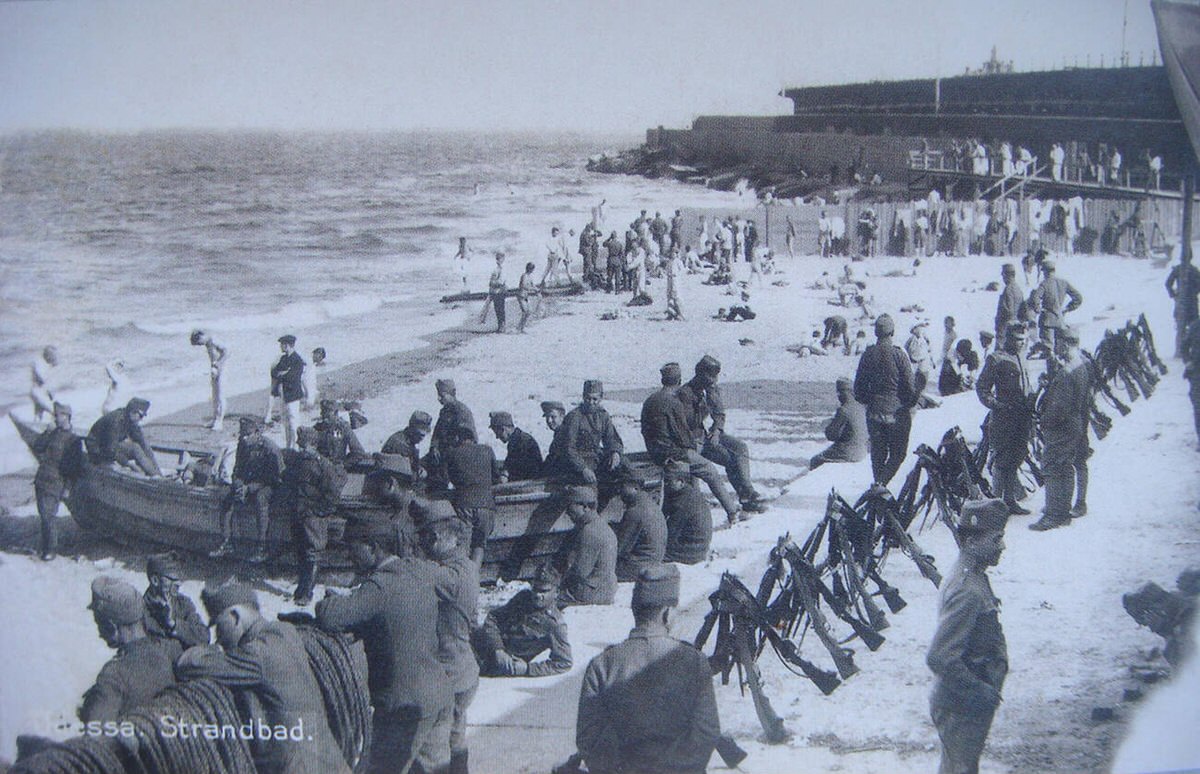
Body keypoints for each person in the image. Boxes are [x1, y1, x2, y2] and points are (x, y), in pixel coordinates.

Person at [314, 516, 453, 774]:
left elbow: (328, 616)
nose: (348, 555)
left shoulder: (379, 587)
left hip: (403, 706)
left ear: (372, 547)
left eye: (352, 547)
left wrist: (329, 602)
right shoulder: (418, 571)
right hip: (439, 694)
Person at [179, 582, 349, 774]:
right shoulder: (286, 632)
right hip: (329, 761)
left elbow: (189, 665)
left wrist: (210, 649)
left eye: (218, 626)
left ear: (234, 617)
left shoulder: (258, 655)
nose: (218, 637)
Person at [576, 563, 720, 774]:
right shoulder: (694, 662)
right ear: (667, 613)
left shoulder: (602, 665)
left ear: (635, 610)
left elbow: (589, 738)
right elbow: (706, 732)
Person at [927, 499, 1009, 774]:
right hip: (961, 702)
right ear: (973, 541)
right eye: (997, 539)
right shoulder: (967, 590)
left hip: (964, 699)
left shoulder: (972, 575)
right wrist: (982, 693)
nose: (1002, 546)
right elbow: (939, 657)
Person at [640, 362, 742, 523]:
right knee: (710, 471)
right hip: (673, 453)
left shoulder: (650, 400)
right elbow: (683, 435)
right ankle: (732, 511)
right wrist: (693, 448)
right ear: (679, 381)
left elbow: (644, 429)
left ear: (662, 380)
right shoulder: (673, 402)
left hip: (655, 451)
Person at [420, 511, 479, 774]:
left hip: (446, 672)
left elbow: (414, 576)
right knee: (457, 735)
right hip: (464, 668)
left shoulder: (445, 576)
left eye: (430, 538)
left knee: (433, 749)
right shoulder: (468, 568)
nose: (425, 544)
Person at [80, 576, 180, 724]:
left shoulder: (114, 675)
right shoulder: (169, 651)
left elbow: (96, 737)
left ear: (112, 626)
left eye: (99, 624)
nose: (100, 634)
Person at [676, 355, 767, 514]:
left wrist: (717, 430)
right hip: (691, 441)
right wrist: (705, 400)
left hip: (704, 437)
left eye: (715, 376)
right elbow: (689, 422)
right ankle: (741, 499)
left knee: (739, 448)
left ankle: (747, 494)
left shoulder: (709, 390)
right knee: (725, 460)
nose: (714, 379)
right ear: (700, 374)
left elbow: (719, 414)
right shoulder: (686, 393)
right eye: (711, 376)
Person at [1030, 326, 1092, 531]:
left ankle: (1054, 515)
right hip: (1073, 424)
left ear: (1065, 343)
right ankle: (1062, 512)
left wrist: (1044, 420)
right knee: (1064, 468)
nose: (1056, 346)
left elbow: (1059, 407)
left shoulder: (1067, 372)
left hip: (1061, 427)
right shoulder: (1080, 364)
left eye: (1057, 342)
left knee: (1053, 468)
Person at [473, 562, 572, 677]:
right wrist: (498, 648)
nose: (538, 595)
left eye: (544, 591)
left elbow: (564, 662)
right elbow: (493, 618)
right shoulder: (523, 598)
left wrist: (527, 669)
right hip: (485, 642)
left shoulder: (555, 624)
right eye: (535, 589)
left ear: (556, 593)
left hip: (496, 664)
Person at [976, 323, 1034, 515]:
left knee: (1016, 457)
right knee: (1002, 461)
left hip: (1022, 417)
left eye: (1023, 340)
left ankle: (1009, 501)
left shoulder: (1023, 358)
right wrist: (996, 405)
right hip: (1004, 419)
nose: (1020, 343)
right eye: (1017, 339)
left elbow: (1028, 386)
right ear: (1008, 339)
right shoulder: (996, 359)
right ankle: (995, 507)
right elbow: (982, 388)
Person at [853, 314, 917, 487]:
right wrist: (907, 404)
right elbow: (911, 387)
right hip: (896, 414)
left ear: (875, 333)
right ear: (893, 332)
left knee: (878, 454)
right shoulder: (899, 355)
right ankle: (881, 486)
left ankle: (878, 488)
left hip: (873, 413)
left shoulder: (868, 354)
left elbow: (858, 390)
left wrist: (871, 401)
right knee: (898, 454)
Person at [283, 426, 343, 604]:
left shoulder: (323, 465)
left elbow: (332, 495)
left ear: (313, 445)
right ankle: (301, 588)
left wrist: (319, 512)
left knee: (312, 553)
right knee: (301, 552)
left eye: (304, 446)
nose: (301, 449)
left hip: (313, 517)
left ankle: (306, 594)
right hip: (299, 514)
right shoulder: (298, 461)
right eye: (300, 446)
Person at [211, 416, 284, 560]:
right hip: (247, 484)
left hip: (268, 485)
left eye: (247, 434)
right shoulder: (243, 445)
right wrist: (238, 485)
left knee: (260, 499)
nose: (244, 438)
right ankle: (227, 541)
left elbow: (274, 477)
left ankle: (262, 547)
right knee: (226, 496)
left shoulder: (270, 448)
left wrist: (249, 488)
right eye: (242, 434)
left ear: (257, 433)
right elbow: (237, 470)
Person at [29, 402, 80, 560]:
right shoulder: (53, 433)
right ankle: (46, 548)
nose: (55, 418)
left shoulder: (73, 440)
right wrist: (46, 432)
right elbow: (37, 447)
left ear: (66, 417)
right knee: (44, 516)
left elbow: (74, 468)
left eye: (57, 416)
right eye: (55, 416)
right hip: (42, 479)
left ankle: (51, 550)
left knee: (48, 516)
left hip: (56, 482)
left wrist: (68, 488)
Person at [444, 424, 498, 565]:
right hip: (486, 505)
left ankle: (462, 578)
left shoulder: (452, 453)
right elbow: (496, 478)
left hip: (464, 505)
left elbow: (447, 479)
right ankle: (474, 576)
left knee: (463, 545)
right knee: (479, 545)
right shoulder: (487, 450)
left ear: (457, 438)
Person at [558, 485, 617, 606]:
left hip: (592, 593)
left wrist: (560, 582)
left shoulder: (589, 531)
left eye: (570, 506)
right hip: (607, 588)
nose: (567, 512)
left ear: (585, 507)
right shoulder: (600, 525)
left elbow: (580, 572)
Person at [557, 380, 624, 486]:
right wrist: (583, 468)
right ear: (583, 397)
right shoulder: (574, 417)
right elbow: (569, 448)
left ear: (601, 398)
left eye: (595, 399)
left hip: (596, 458)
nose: (591, 402)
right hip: (579, 461)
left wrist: (615, 453)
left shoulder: (603, 416)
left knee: (625, 469)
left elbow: (611, 438)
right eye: (588, 398)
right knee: (589, 490)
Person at [142, 552, 209, 649]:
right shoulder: (139, 610)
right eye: (172, 579)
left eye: (179, 579)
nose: (178, 584)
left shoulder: (183, 603)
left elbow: (204, 637)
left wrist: (173, 624)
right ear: (155, 580)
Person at [85, 397, 163, 477]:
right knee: (134, 449)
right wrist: (128, 464)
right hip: (97, 449)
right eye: (141, 416)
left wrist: (158, 471)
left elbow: (144, 445)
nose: (141, 419)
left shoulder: (130, 420)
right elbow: (111, 449)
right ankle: (151, 475)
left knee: (136, 447)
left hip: (110, 446)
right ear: (133, 411)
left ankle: (156, 475)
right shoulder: (115, 421)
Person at [613, 471, 667, 581]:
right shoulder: (649, 504)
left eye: (622, 486)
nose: (619, 491)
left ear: (635, 488)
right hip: (653, 560)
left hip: (639, 567)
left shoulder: (634, 511)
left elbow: (619, 549)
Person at [810, 378, 868, 470]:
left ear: (842, 393)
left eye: (839, 393)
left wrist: (827, 426)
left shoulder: (843, 410)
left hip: (848, 452)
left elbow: (831, 436)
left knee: (815, 460)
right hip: (862, 451)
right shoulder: (861, 407)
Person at [662, 460, 713, 564]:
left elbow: (671, 531)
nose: (665, 485)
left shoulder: (684, 502)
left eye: (668, 481)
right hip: (698, 545)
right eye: (664, 481)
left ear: (681, 482)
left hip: (692, 551)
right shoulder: (685, 492)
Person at [1028, 259, 1082, 352]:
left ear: (1045, 272)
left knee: (1048, 349)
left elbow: (1035, 298)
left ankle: (1051, 365)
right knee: (1060, 349)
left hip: (1047, 321)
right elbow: (1078, 298)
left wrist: (1038, 309)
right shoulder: (1064, 283)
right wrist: (1067, 308)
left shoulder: (1044, 283)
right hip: (1060, 320)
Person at [268, 334, 306, 448]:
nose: (281, 346)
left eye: (282, 344)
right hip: (284, 394)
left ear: (288, 345)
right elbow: (274, 372)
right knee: (285, 422)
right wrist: (285, 373)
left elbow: (293, 377)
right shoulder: (284, 358)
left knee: (293, 422)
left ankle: (295, 446)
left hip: (293, 395)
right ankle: (289, 445)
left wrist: (283, 374)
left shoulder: (297, 360)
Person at [190, 329, 229, 429]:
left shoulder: (214, 340)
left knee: (220, 395)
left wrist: (219, 364)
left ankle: (219, 422)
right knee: (215, 395)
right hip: (215, 369)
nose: (200, 345)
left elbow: (227, 352)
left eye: (199, 343)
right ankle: (215, 419)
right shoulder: (208, 343)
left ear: (202, 336)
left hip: (222, 369)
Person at [488, 411, 542, 482]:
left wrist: (505, 475)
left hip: (529, 484)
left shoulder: (522, 442)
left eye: (497, 433)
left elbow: (518, 470)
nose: (497, 437)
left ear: (503, 429)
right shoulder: (516, 440)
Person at [1165, 249, 1200, 359]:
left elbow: (1168, 283)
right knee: (1187, 327)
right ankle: (1183, 351)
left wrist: (1175, 295)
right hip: (1187, 303)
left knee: (1187, 327)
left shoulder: (1188, 270)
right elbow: (1168, 283)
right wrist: (1174, 295)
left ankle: (1185, 351)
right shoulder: (1187, 270)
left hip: (1187, 303)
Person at [313, 398, 367, 470]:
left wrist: (344, 464)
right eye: (323, 411)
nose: (324, 415)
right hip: (320, 468)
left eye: (328, 412)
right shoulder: (317, 428)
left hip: (337, 469)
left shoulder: (343, 428)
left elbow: (358, 452)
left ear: (335, 413)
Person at [382, 410, 433, 481]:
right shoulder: (401, 444)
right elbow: (406, 474)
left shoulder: (403, 437)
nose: (421, 438)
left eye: (424, 435)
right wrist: (420, 472)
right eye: (419, 434)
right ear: (412, 429)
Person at [994, 264, 1024, 343]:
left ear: (1006, 275)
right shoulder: (1018, 288)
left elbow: (1007, 310)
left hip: (1005, 328)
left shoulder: (1008, 289)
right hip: (1015, 325)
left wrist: (999, 324)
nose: (1003, 278)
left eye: (1003, 275)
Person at [30, 345, 61, 422]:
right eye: (54, 356)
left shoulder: (44, 365)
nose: (56, 358)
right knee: (55, 413)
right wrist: (50, 393)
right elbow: (43, 381)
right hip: (39, 394)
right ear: (48, 356)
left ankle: (37, 426)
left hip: (37, 393)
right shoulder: (41, 365)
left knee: (39, 413)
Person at [1184, 318, 1200, 448]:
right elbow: (1184, 346)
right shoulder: (1195, 325)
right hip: (1197, 372)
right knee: (1198, 406)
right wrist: (1188, 361)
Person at [488, 251, 507, 333]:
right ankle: (501, 325)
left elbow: (500, 281)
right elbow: (493, 282)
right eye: (498, 259)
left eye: (500, 259)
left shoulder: (502, 269)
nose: (499, 260)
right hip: (496, 292)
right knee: (498, 309)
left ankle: (502, 326)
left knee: (500, 309)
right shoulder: (496, 269)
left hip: (500, 292)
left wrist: (494, 283)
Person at [517, 261, 537, 333]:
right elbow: (524, 285)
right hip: (521, 296)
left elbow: (532, 284)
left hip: (526, 296)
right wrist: (532, 289)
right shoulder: (524, 276)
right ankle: (520, 327)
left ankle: (521, 327)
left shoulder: (529, 276)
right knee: (525, 312)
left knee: (529, 312)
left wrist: (536, 289)